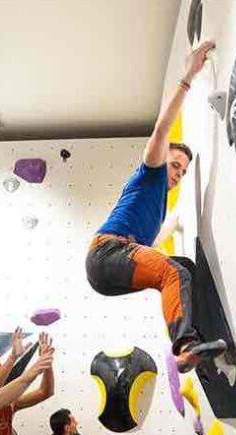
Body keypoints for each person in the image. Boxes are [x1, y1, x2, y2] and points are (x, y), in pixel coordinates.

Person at [84, 40, 227, 372]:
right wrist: (188, 76)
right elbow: (163, 126)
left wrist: (177, 222)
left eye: (182, 170)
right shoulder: (149, 171)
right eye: (175, 164)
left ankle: (202, 343)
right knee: (171, 271)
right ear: (162, 159)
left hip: (112, 270)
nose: (177, 173)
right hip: (105, 253)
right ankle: (185, 346)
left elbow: (157, 245)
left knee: (186, 269)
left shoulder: (158, 205)